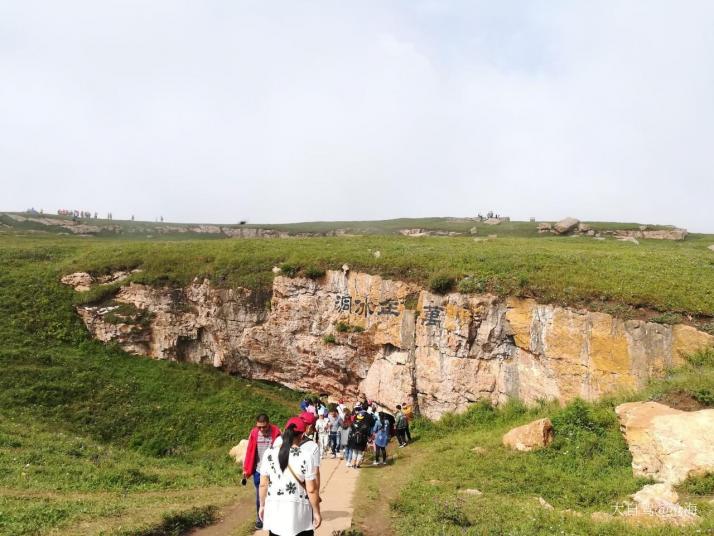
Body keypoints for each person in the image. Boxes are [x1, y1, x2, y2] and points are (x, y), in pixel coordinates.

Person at [258, 417, 322, 536]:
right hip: (299, 511)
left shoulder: (269, 453)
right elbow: (311, 490)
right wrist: (317, 512)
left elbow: (263, 484)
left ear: (285, 431)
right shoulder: (306, 456)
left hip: (275, 508)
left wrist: (262, 505)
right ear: (302, 435)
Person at [243, 414, 281, 530]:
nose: (261, 429)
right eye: (259, 427)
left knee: (275, 495)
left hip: (274, 471)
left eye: (264, 427)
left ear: (268, 423)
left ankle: (274, 518)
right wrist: (246, 469)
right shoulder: (254, 433)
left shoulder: (276, 433)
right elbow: (250, 451)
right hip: (259, 470)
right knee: (261, 496)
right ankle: (260, 519)